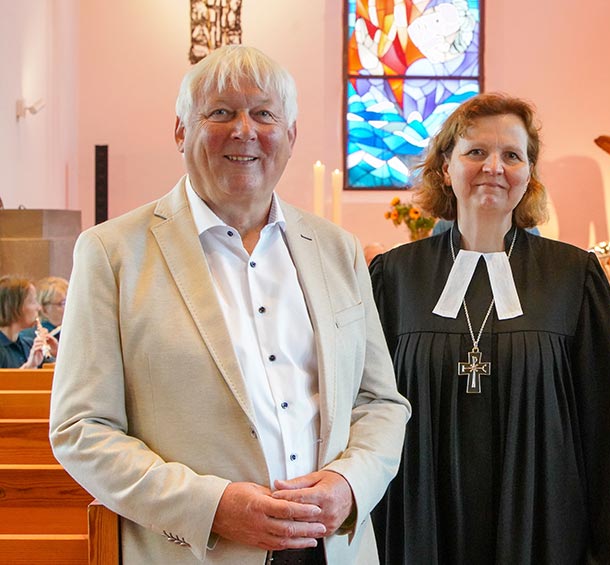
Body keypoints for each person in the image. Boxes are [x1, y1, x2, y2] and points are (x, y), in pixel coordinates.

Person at [49, 45, 410, 564]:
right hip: (197, 551)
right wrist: (211, 506)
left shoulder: (338, 249)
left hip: (330, 550)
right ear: (180, 130)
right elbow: (81, 430)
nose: (244, 130)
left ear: (290, 135)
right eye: (221, 112)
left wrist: (348, 484)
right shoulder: (113, 254)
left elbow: (380, 403)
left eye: (264, 113)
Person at [370, 92, 610, 563]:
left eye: (512, 155)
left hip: (543, 521)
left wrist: (609, 548)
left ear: (528, 174)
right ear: (446, 167)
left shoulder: (573, 276)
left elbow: (603, 427)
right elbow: (367, 413)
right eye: (476, 152)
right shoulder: (396, 277)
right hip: (421, 517)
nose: (494, 166)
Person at [0, 276, 58, 368]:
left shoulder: (29, 345)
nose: (38, 308)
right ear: (14, 306)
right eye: (32, 301)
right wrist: (29, 367)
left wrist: (57, 353)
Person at [20, 276, 68, 343]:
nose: (67, 309)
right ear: (44, 309)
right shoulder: (29, 338)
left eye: (69, 304)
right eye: (63, 303)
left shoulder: (71, 332)